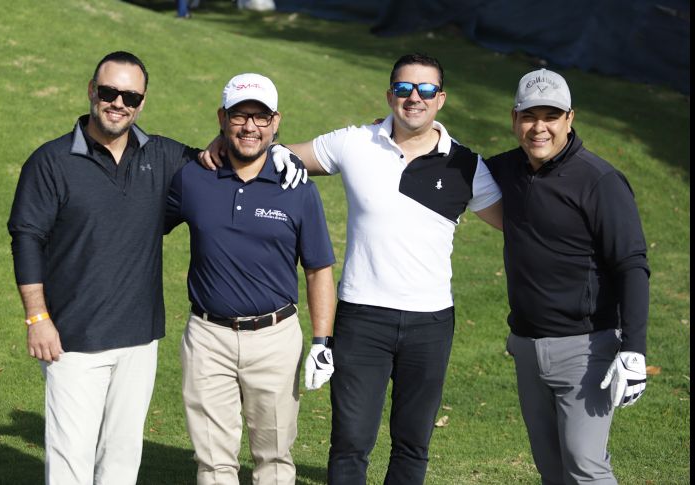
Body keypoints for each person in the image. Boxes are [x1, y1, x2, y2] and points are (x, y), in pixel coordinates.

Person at [201, 53, 503, 485]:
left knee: (413, 444)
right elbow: (274, 153)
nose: (413, 98)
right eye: (403, 89)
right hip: (363, 319)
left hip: (431, 322)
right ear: (389, 95)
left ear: (441, 99)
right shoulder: (356, 143)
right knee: (349, 443)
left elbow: (520, 225)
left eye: (425, 90)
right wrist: (220, 142)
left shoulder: (465, 166)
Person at [7, 51, 202, 484]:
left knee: (122, 457)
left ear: (142, 102)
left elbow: (226, 158)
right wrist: (37, 318)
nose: (119, 103)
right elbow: (27, 240)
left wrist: (286, 157)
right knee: (70, 458)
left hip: (139, 339)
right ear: (92, 91)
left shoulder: (165, 157)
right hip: (73, 341)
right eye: (110, 92)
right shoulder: (51, 161)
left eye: (130, 96)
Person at [166, 73, 337, 485]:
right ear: (223, 118)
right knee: (213, 462)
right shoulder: (193, 177)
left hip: (275, 339)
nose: (250, 127)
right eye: (240, 116)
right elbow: (141, 226)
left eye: (260, 118)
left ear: (275, 122)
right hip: (208, 338)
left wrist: (321, 341)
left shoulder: (296, 186)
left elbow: (318, 269)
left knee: (275, 460)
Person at [484, 68, 649, 484]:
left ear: (569, 119)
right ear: (514, 118)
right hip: (525, 346)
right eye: (529, 116)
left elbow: (631, 264)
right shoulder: (505, 170)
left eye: (550, 116)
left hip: (586, 349)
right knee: (551, 468)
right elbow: (449, 168)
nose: (539, 127)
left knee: (585, 464)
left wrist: (635, 349)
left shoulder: (600, 181)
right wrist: (395, 135)